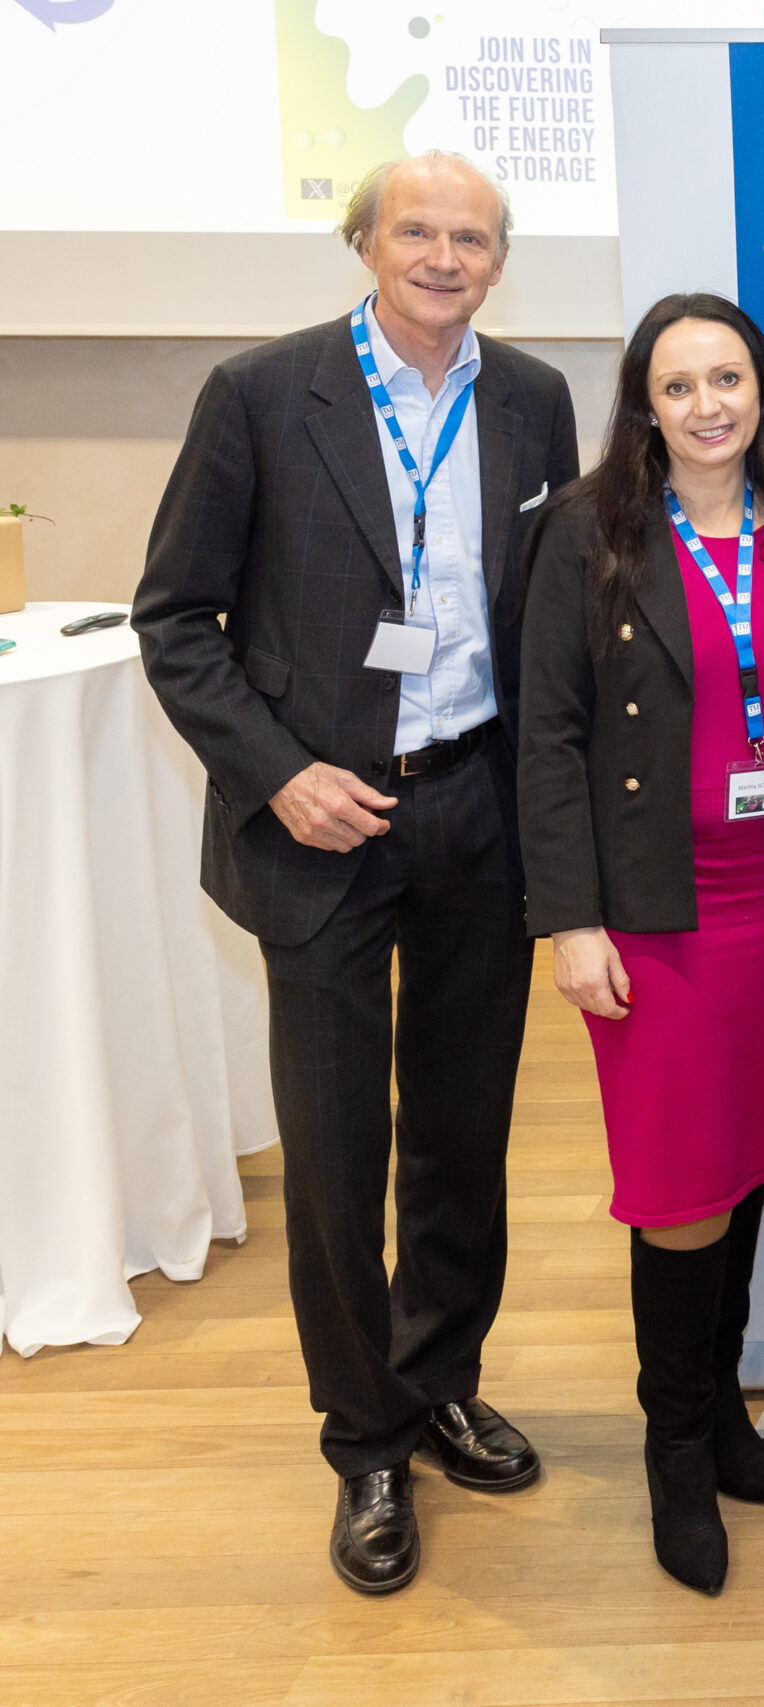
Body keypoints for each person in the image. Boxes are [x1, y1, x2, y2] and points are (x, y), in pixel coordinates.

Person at [131, 153, 580, 1595]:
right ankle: (366, 1437)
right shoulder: (259, 394)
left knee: (462, 1125)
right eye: (418, 231)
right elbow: (175, 617)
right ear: (366, 242)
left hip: (477, 808)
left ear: (500, 260)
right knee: (334, 1151)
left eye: (472, 236)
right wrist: (278, 771)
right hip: (322, 818)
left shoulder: (532, 401)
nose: (444, 256)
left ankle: (440, 1375)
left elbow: (552, 614)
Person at [516, 292, 764, 1594]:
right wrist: (571, 916)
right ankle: (670, 1444)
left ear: (762, 390)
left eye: (730, 378)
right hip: (656, 908)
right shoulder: (591, 529)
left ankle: (716, 1408)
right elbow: (549, 736)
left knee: (750, 1157)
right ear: (646, 401)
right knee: (682, 1184)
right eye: (680, 382)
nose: (709, 404)